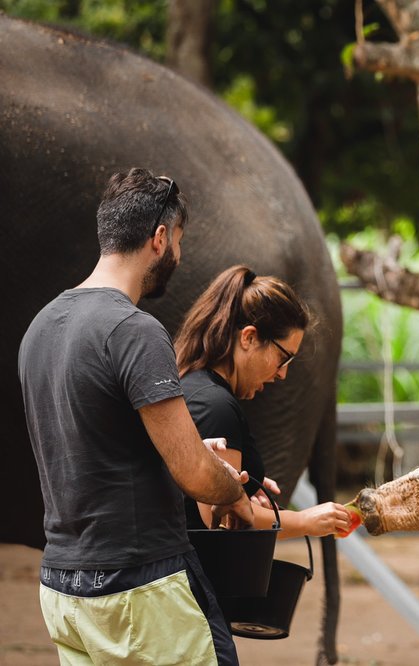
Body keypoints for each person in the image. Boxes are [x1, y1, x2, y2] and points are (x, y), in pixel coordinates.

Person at [18, 168, 253, 665]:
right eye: (179, 242)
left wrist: (192, 444)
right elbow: (193, 474)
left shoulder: (40, 327)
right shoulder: (134, 329)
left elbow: (92, 440)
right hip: (141, 588)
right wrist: (234, 492)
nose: (180, 256)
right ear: (160, 237)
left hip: (64, 588)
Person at [175, 265, 353, 538]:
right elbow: (219, 519)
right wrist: (304, 520)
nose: (282, 374)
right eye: (284, 358)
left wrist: (245, 492)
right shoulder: (215, 406)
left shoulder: (196, 388)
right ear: (248, 337)